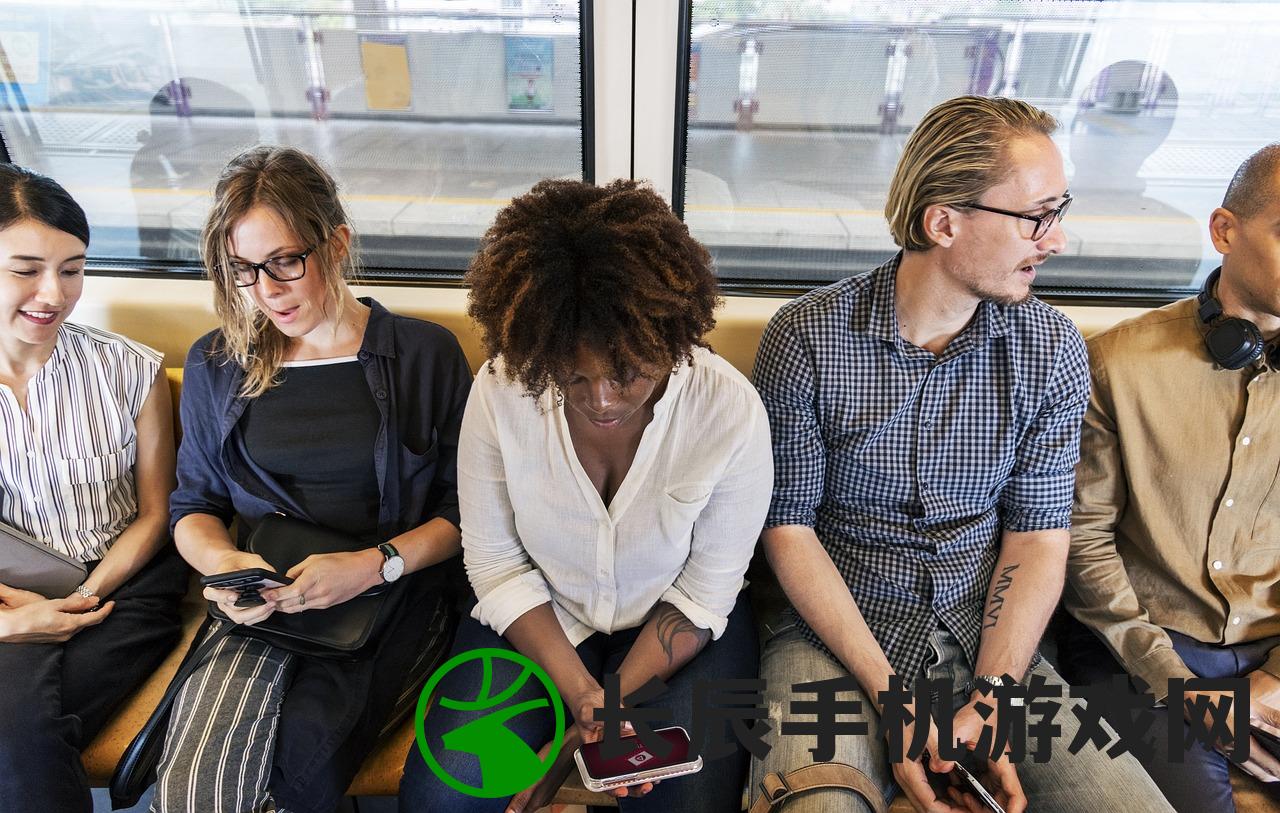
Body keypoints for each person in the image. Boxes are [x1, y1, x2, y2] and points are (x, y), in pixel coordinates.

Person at [750, 95, 1174, 813]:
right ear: (943, 222)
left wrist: (996, 693)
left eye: (1059, 209)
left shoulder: (1051, 350)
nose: (1057, 238)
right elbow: (787, 527)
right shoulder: (807, 339)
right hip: (833, 638)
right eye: (1037, 215)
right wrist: (890, 697)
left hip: (987, 633)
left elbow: (1038, 532)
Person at [398, 178, 773, 813]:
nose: (602, 400)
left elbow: (706, 593)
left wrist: (591, 726)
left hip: (676, 634)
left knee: (680, 801)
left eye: (628, 373)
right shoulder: (501, 390)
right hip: (541, 620)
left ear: (672, 335)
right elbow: (494, 563)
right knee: (446, 795)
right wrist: (584, 698)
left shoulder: (728, 412)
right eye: (572, 377)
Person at [153, 146, 471, 812]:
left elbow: (463, 513)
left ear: (337, 244)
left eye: (285, 262)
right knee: (195, 784)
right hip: (263, 604)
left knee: (297, 772)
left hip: (391, 595)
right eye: (244, 270)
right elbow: (194, 504)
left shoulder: (422, 355)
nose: (267, 291)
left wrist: (372, 565)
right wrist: (225, 566)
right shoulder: (218, 363)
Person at [1061, 143, 1280, 812]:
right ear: (1224, 231)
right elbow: (1084, 544)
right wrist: (1182, 687)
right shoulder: (1116, 365)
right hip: (1140, 655)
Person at [0, 164, 187, 812]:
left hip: (123, 587)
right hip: (9, 594)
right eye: (26, 269)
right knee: (19, 734)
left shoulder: (128, 369)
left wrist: (78, 597)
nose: (53, 292)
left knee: (18, 733)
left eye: (73, 269)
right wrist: (16, 619)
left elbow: (157, 513)